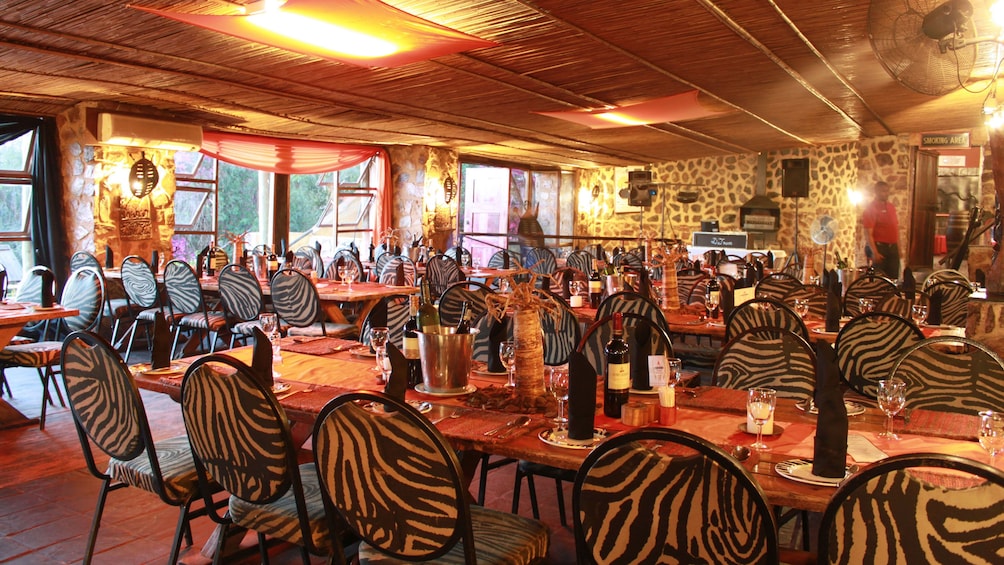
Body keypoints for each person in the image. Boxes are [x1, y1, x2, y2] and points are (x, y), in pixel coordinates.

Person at [862, 181, 900, 279]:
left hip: (893, 248)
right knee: (880, 279)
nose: (886, 193)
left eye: (887, 191)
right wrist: (875, 252)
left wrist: (899, 247)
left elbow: (895, 228)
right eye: (883, 191)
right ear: (877, 192)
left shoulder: (891, 207)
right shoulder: (871, 209)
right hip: (880, 248)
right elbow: (868, 233)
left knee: (893, 278)